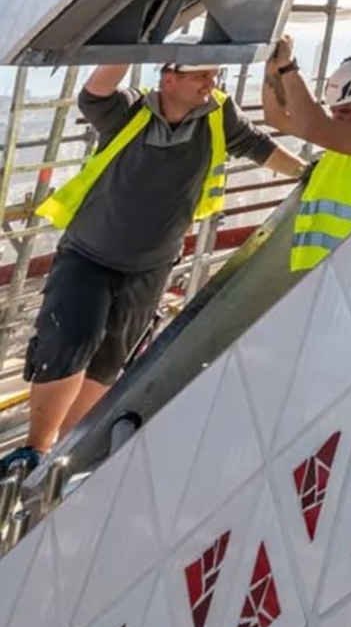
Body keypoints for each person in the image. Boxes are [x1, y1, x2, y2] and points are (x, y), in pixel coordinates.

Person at [2, 50, 307, 473]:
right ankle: (33, 448)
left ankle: (56, 459)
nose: (211, 83)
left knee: (110, 358)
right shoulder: (130, 110)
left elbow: (259, 146)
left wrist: (309, 174)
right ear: (169, 79)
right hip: (89, 254)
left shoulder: (219, 114)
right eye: (201, 75)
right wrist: (134, 43)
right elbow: (94, 95)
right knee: (70, 337)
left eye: (214, 75)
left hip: (150, 267)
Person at [262, 43, 351, 273]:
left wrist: (288, 67)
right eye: (334, 111)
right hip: (323, 276)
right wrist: (273, 71)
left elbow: (314, 126)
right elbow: (276, 118)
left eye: (346, 111)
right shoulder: (344, 141)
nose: (338, 118)